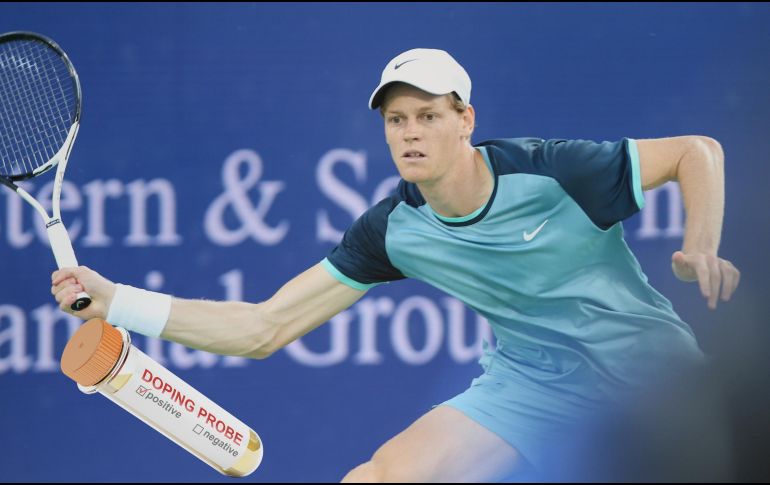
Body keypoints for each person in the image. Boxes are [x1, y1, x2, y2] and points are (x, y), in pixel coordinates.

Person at [52, 48, 740, 482]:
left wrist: (701, 246)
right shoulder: (394, 228)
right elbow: (263, 327)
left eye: (427, 116)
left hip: (650, 377)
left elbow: (696, 152)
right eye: (395, 120)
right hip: (531, 385)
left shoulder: (553, 170)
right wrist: (117, 301)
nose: (410, 133)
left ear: (466, 119)